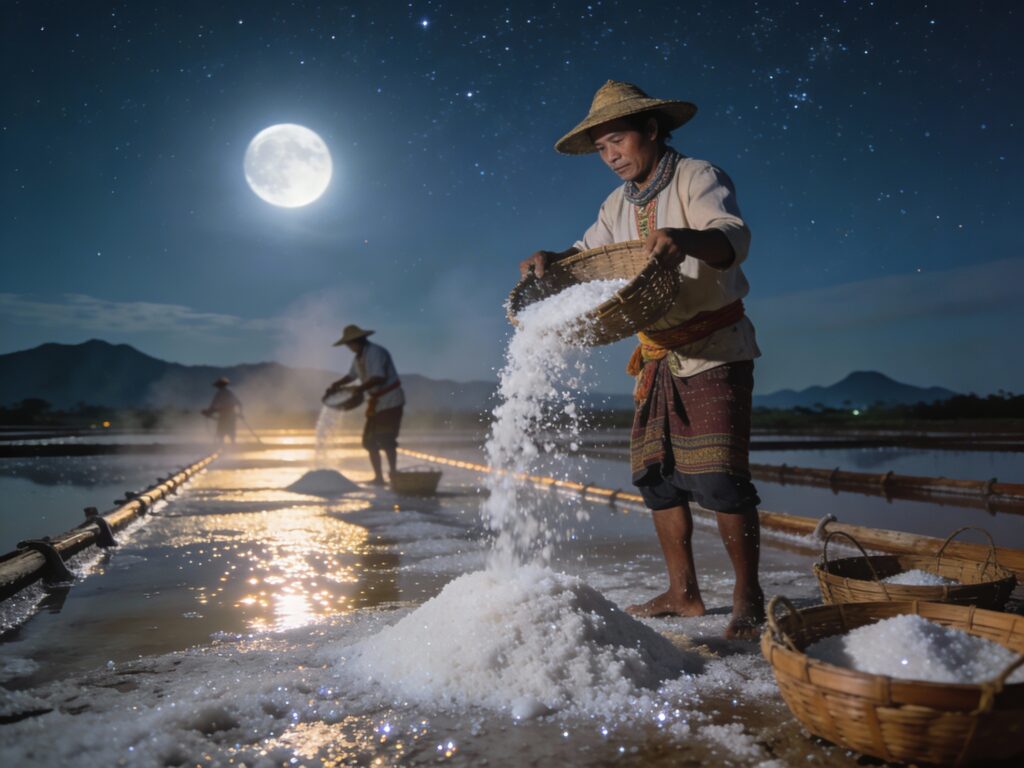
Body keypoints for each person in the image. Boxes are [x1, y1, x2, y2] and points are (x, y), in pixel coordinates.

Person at [520, 80, 764, 639]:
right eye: (602, 148)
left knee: (721, 479)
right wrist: (555, 258)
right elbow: (592, 255)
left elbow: (732, 237)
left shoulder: (698, 176)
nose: (611, 156)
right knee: (658, 479)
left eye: (618, 141)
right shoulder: (615, 204)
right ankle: (683, 594)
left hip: (713, 350)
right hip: (657, 353)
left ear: (651, 130)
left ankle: (748, 596)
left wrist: (685, 238)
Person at [326, 324, 405, 485]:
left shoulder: (375, 352)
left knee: (386, 439)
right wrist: (337, 384)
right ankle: (379, 477)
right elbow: (351, 376)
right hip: (376, 403)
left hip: (390, 401)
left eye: (350, 344)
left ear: (358, 341)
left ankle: (394, 473)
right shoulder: (358, 358)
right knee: (369, 441)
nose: (349, 347)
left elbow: (379, 377)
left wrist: (359, 389)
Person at [202, 377, 242, 445]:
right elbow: (239, 403)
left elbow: (213, 405)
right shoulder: (229, 392)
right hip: (231, 415)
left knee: (221, 433)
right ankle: (233, 445)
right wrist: (240, 413)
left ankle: (221, 446)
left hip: (225, 416)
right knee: (231, 432)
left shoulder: (220, 394)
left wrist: (208, 412)